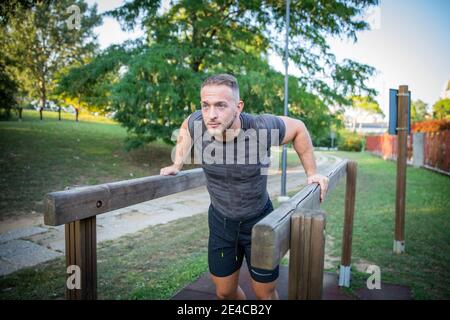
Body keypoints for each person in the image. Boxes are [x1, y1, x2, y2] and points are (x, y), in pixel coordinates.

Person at [160, 74, 329, 300]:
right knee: (224, 292)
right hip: (221, 222)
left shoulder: (261, 127)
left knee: (264, 294)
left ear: (238, 106)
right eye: (205, 105)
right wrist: (177, 163)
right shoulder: (197, 122)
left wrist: (312, 173)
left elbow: (299, 128)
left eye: (221, 105)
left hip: (259, 222)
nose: (211, 114)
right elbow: (186, 127)